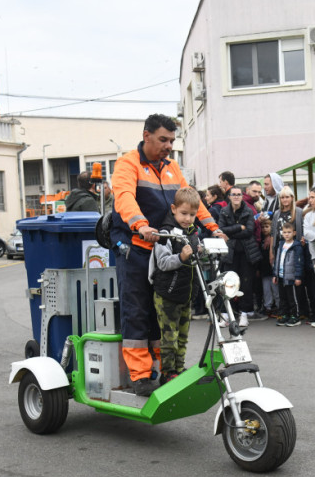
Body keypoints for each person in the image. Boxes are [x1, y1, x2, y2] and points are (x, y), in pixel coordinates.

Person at [110, 114, 223, 397]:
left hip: (166, 248)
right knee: (137, 311)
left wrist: (213, 228)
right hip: (135, 249)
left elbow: (191, 201)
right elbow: (124, 196)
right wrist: (141, 224)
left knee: (164, 312)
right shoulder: (128, 163)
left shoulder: (172, 167)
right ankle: (141, 375)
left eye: (172, 140)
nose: (169, 146)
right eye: (163, 140)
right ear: (146, 136)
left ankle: (166, 368)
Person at [149, 187, 202, 384]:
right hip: (167, 294)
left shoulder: (193, 232)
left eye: (192, 215)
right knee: (169, 337)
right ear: (173, 209)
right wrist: (181, 257)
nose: (188, 218)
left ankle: (179, 368)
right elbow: (162, 263)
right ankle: (168, 371)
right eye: (184, 213)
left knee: (183, 335)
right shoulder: (165, 233)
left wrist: (201, 252)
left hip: (185, 293)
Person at [217, 186, 260, 327]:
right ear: (229, 196)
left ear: (242, 196)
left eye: (239, 194)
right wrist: (238, 227)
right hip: (230, 253)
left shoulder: (248, 210)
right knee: (227, 283)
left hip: (246, 253)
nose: (236, 197)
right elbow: (220, 229)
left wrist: (230, 234)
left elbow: (248, 231)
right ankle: (225, 315)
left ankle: (244, 314)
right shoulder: (224, 211)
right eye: (233, 194)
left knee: (245, 284)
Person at [273, 222, 304, 326]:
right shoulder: (281, 244)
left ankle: (295, 316)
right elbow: (277, 260)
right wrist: (275, 274)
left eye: (289, 232)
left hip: (291, 277)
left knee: (292, 298)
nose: (286, 234)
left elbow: (299, 262)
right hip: (281, 276)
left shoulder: (296, 246)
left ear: (294, 233)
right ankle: (284, 315)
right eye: (284, 232)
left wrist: (298, 277)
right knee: (283, 298)